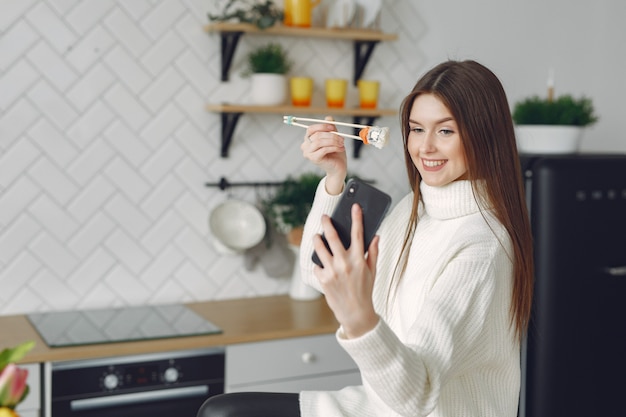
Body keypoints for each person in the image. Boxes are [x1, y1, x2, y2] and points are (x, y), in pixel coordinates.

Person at [197, 59, 534, 417]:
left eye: (445, 131)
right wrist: (333, 179)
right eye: (417, 129)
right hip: (376, 406)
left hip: (413, 407)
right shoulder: (413, 210)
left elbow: (417, 396)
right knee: (221, 412)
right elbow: (317, 274)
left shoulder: (482, 247)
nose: (425, 147)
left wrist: (359, 318)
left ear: (484, 135)